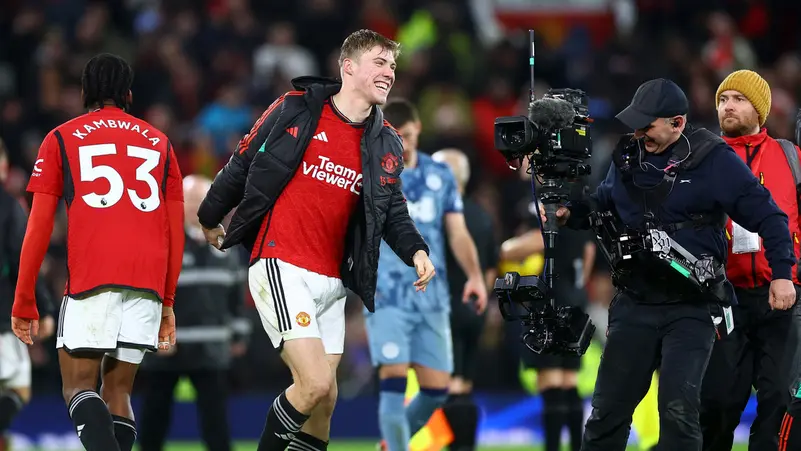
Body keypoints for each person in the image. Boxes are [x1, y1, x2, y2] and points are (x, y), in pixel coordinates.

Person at [196, 29, 435, 451]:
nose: (389, 73)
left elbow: (392, 210)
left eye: (393, 66)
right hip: (281, 262)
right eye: (380, 63)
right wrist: (209, 215)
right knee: (314, 383)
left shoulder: (386, 141)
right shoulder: (295, 108)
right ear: (349, 67)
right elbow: (243, 161)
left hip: (333, 282)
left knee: (324, 403)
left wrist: (416, 250)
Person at [549, 78, 797, 450]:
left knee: (679, 412)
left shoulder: (712, 159)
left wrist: (781, 274)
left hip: (691, 307)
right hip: (635, 301)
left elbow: (771, 217)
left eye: (646, 125)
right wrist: (571, 213)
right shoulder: (627, 156)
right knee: (607, 412)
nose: (638, 133)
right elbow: (602, 203)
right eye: (635, 124)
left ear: (677, 123)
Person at [11, 53, 185, 451]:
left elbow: (38, 227)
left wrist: (24, 298)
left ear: (84, 92)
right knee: (118, 391)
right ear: (128, 94)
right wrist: (168, 301)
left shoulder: (61, 137)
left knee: (77, 387)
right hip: (147, 282)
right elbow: (174, 232)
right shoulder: (160, 143)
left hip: (93, 277)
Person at [366, 100, 487, 451]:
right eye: (395, 137)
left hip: (432, 298)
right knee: (393, 377)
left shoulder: (441, 175)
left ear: (418, 129)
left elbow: (457, 233)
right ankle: (397, 446)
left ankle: (391, 443)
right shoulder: (374, 173)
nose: (402, 145)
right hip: (387, 293)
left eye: (407, 135)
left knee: (437, 389)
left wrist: (475, 276)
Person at [699, 70, 801, 451]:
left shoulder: (791, 158)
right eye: (723, 100)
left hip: (784, 296)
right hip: (726, 299)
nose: (728, 106)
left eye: (739, 99)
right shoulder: (703, 160)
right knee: (717, 405)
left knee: (779, 405)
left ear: (760, 108)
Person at [138, 175, 250, 451]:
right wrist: (155, 334)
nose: (195, 207)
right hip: (169, 347)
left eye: (202, 200)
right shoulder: (163, 242)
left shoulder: (227, 245)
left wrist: (239, 335)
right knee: (154, 420)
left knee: (216, 423)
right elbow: (147, 294)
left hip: (212, 348)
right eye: (190, 201)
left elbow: (238, 297)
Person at [506, 179, 595, 451]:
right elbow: (589, 251)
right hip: (575, 297)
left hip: (550, 301)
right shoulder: (581, 207)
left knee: (550, 381)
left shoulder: (547, 204)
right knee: (568, 380)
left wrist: (506, 248)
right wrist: (577, 288)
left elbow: (536, 242)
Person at [431, 148, 498, 451]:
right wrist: (481, 299)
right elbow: (492, 266)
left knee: (448, 385)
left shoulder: (438, 216)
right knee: (465, 381)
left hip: (443, 308)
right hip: (474, 307)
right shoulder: (482, 216)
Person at [0, 140, 56, 451]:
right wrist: (43, 308)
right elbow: (24, 260)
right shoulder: (8, 206)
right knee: (17, 389)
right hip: (1, 320)